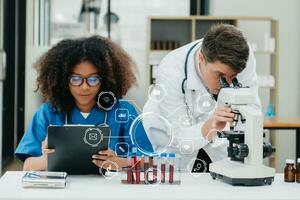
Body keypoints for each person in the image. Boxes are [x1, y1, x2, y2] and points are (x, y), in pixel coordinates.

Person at [15, 35, 153, 171]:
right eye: (75, 79)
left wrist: (121, 162)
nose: (85, 87)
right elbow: (27, 166)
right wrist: (47, 159)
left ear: (106, 79)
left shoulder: (124, 111)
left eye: (93, 79)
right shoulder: (48, 112)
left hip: (109, 190)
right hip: (63, 191)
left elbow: (150, 162)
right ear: (63, 80)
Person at [143, 24, 260, 172]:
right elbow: (178, 137)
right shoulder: (171, 70)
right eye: (220, 76)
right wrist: (211, 125)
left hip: (219, 142)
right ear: (201, 58)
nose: (227, 84)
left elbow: (251, 109)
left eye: (233, 77)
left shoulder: (243, 55)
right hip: (177, 143)